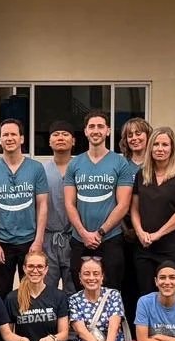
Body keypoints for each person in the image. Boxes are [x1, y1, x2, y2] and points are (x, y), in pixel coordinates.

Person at [64, 110, 136, 292]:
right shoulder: (74, 163)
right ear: (86, 131)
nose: (96, 131)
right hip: (79, 239)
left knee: (112, 290)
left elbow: (123, 204)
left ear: (108, 131)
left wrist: (100, 233)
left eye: (100, 126)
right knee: (80, 291)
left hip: (110, 238)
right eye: (91, 127)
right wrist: (84, 233)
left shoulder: (120, 163)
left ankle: (113, 322)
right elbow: (69, 204)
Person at [0, 120, 48, 295]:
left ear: (22, 138)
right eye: (5, 135)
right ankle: (5, 324)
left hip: (29, 240)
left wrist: (38, 240)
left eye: (13, 134)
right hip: (2, 242)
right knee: (2, 294)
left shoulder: (36, 168)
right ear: (0, 140)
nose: (9, 138)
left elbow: (42, 205)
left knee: (31, 292)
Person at [131, 126, 175, 300]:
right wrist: (140, 232)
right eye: (156, 144)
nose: (160, 149)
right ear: (150, 147)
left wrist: (158, 234)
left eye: (165, 145)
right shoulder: (142, 174)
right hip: (146, 247)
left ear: (172, 148)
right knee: (145, 296)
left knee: (174, 296)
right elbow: (134, 208)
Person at [39, 121, 78, 290]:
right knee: (47, 289)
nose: (60, 138)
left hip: (75, 238)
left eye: (65, 134)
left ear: (74, 140)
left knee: (74, 289)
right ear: (49, 141)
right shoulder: (40, 170)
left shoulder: (81, 167)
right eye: (55, 134)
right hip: (48, 239)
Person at [117, 117, 153, 287]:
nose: (134, 138)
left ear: (148, 136)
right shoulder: (120, 165)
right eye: (130, 135)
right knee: (127, 282)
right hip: (125, 232)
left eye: (139, 133)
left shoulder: (158, 164)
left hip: (152, 231)